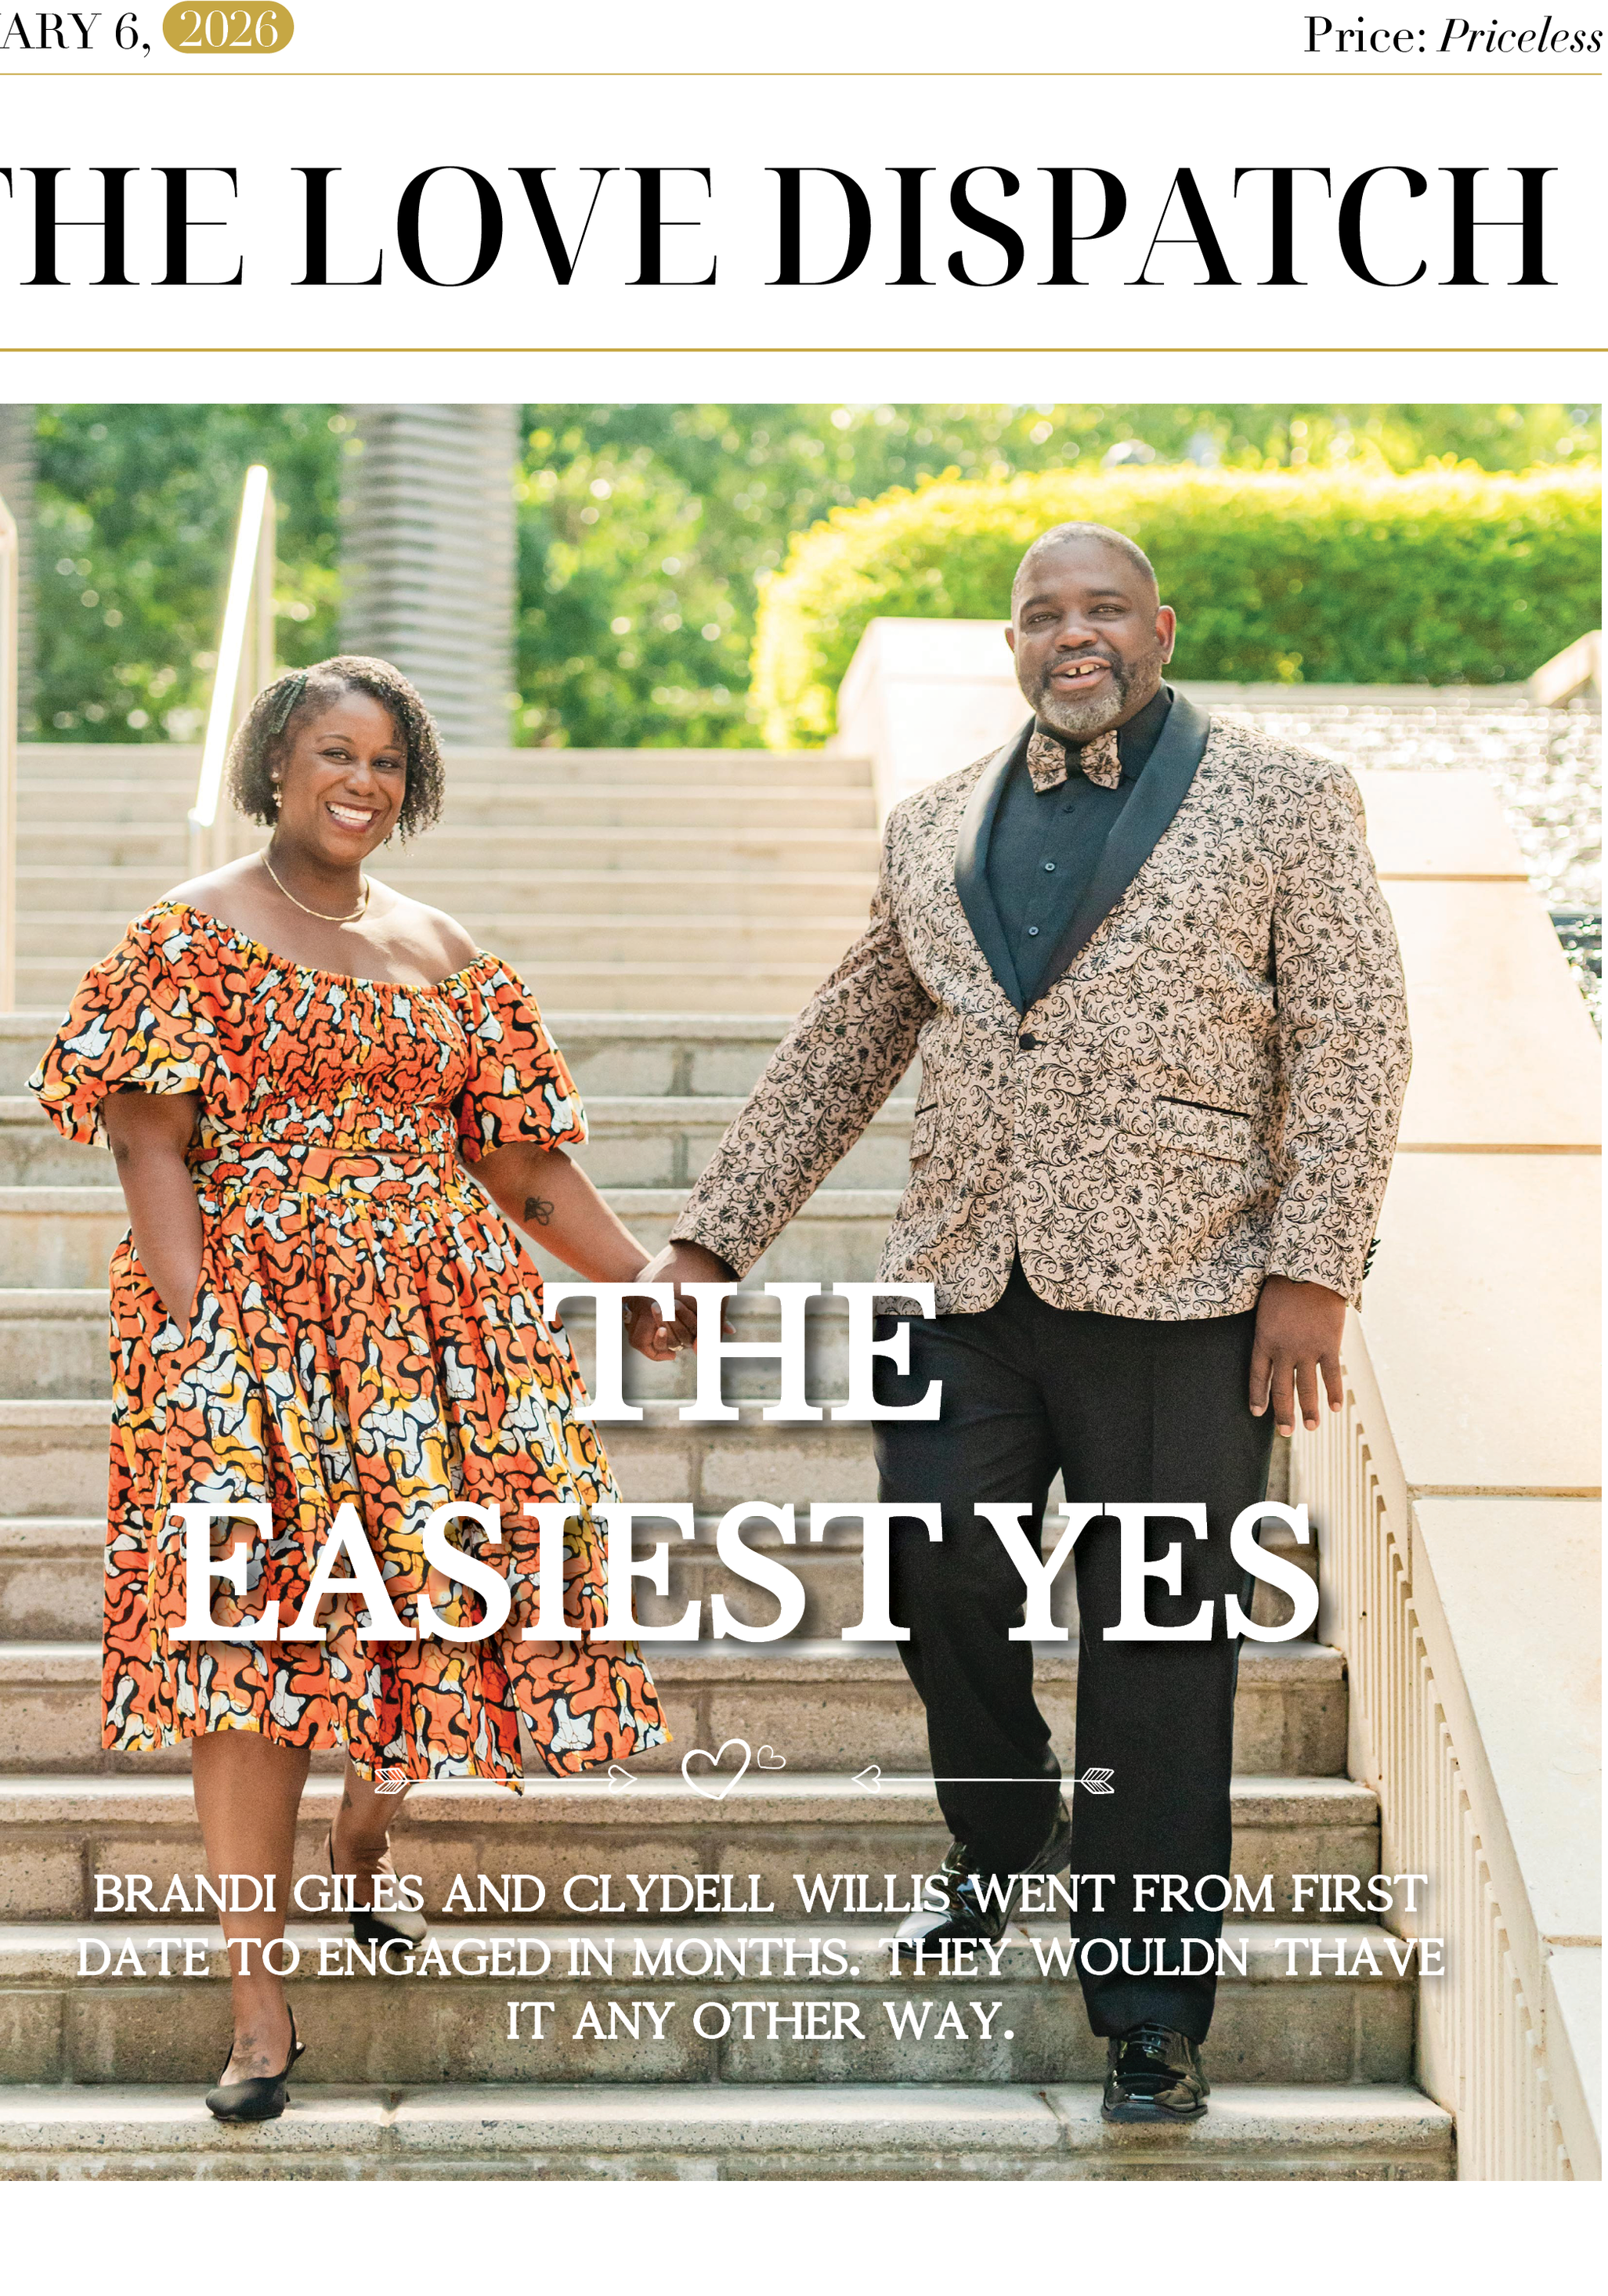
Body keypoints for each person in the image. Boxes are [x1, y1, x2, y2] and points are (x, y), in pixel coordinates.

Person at [632, 524, 1411, 2124]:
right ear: (1010, 646)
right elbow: (845, 1039)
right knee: (933, 1565)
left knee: (1155, 1653)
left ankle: (1145, 2012)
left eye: (1102, 609)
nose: (1073, 634)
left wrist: (1311, 1265)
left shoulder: (1284, 798)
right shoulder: (932, 828)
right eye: (1042, 612)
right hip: (960, 1285)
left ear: (1157, 629)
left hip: (1186, 1293)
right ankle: (1003, 1832)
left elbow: (1353, 1038)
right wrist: (712, 1239)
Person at [34, 654, 669, 2122]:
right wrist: (201, 1339)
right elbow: (148, 1144)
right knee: (253, 1653)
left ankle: (367, 1837)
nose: (360, 783)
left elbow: (518, 1164)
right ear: (276, 763)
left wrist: (637, 1280)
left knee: (453, 1605)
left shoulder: (444, 951)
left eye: (387, 761)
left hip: (446, 1337)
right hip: (251, 1327)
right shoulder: (185, 937)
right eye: (335, 752)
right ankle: (259, 2001)